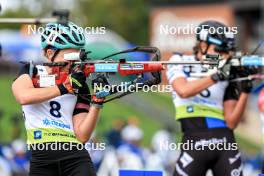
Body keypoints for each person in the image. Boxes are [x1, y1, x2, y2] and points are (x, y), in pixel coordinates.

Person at [12, 21, 104, 176]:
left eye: (77, 55)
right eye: (69, 56)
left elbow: (82, 135)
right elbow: (23, 96)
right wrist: (64, 88)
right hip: (42, 157)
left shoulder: (79, 84)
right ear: (49, 53)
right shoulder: (31, 71)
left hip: (75, 156)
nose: (74, 62)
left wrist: (97, 104)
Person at [166, 20, 253, 176]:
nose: (224, 56)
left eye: (227, 52)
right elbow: (183, 91)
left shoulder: (228, 71)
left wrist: (245, 90)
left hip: (224, 141)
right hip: (194, 139)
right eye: (219, 50)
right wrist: (217, 76)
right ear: (203, 45)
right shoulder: (179, 60)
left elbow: (231, 121)